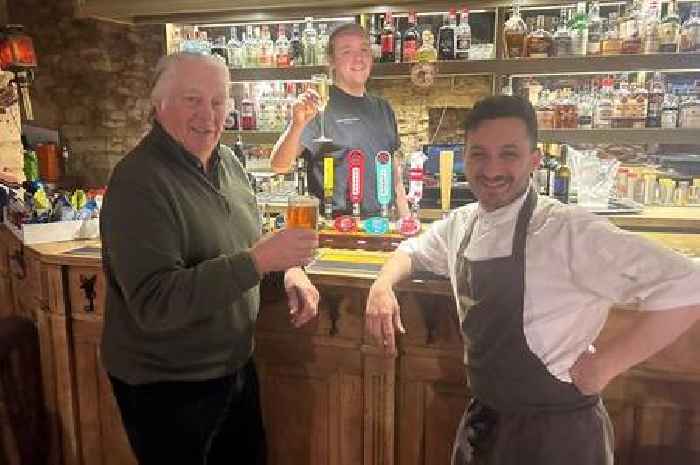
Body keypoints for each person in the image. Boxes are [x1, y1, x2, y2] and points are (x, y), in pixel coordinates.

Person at [364, 95, 700, 465]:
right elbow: (412, 251)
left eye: (508, 154)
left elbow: (688, 283)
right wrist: (382, 286)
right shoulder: (463, 224)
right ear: (465, 157)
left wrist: (609, 364)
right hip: (484, 427)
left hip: (558, 439)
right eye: (479, 154)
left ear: (534, 161)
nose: (491, 169)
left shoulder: (567, 230)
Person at [100, 52, 320, 465]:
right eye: (192, 99)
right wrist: (258, 262)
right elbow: (155, 302)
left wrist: (287, 271)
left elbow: (245, 245)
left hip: (233, 367)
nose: (208, 114)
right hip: (168, 386)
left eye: (218, 102)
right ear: (158, 103)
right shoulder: (138, 182)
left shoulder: (229, 163)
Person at [270, 23, 409, 219]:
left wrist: (407, 222)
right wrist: (297, 125)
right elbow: (279, 165)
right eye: (346, 51)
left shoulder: (383, 108)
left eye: (364, 49)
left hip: (383, 226)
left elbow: (394, 177)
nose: (358, 58)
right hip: (336, 229)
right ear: (331, 61)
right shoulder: (317, 106)